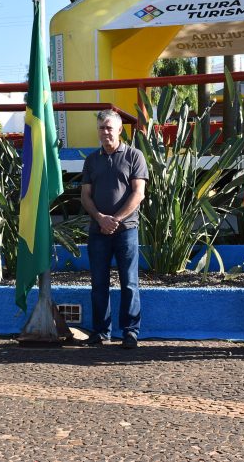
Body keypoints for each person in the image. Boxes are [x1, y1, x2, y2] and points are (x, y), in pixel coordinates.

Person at [80, 110, 148, 349]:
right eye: (101, 128)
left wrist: (116, 219)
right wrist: (100, 218)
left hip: (126, 230)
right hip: (98, 231)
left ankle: (130, 332)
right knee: (99, 283)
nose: (105, 132)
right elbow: (85, 195)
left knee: (129, 282)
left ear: (120, 130)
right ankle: (101, 332)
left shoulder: (134, 156)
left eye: (109, 127)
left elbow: (138, 193)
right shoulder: (91, 160)